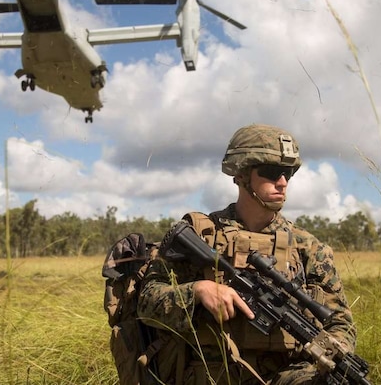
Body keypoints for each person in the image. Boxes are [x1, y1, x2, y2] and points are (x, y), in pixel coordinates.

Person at [136, 124, 357, 385]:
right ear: (241, 173)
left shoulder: (309, 248)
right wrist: (198, 291)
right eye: (272, 172)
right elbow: (146, 302)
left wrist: (331, 351)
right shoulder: (201, 235)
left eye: (288, 173)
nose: (283, 182)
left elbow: (341, 323)